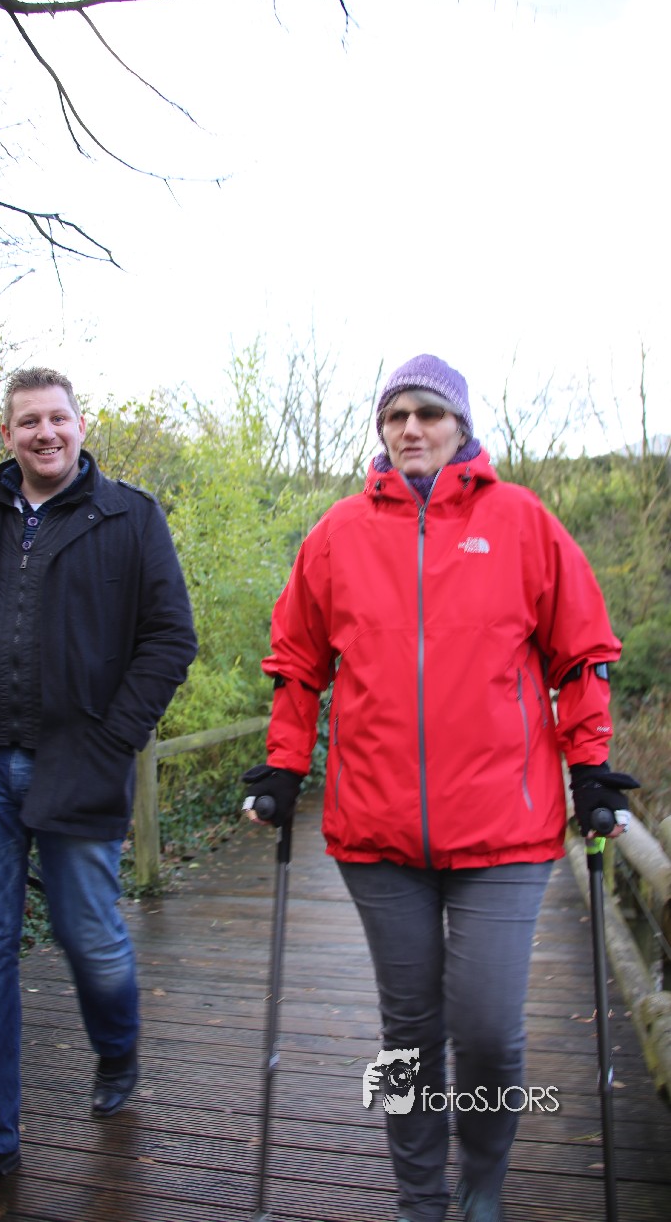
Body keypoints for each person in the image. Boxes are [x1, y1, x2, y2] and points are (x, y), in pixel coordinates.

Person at [241, 354, 638, 1222]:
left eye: (428, 413)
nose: (410, 428)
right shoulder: (339, 533)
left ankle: (482, 1176)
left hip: (506, 828)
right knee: (406, 1033)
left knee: (487, 1029)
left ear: (460, 426)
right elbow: (296, 659)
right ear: (381, 432)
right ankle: (416, 1193)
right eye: (395, 416)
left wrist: (589, 768)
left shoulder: (521, 521)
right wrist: (284, 762)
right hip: (375, 832)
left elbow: (582, 653)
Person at [0, 366, 197, 1215]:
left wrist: (113, 741)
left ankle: (117, 1047)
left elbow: (170, 639)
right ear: (6, 436)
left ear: (79, 426)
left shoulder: (131, 517)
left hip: (79, 764)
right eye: (27, 421)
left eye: (57, 419)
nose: (44, 433)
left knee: (91, 940)